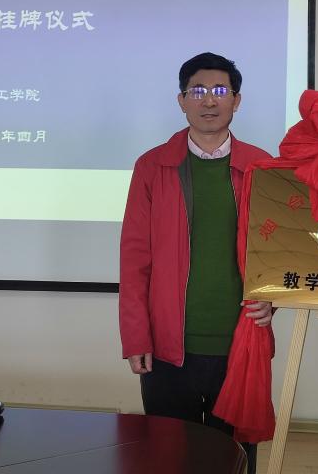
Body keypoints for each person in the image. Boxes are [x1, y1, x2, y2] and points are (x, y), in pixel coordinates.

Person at [119, 52, 273, 474]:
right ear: (181, 100)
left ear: (236, 100)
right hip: (168, 349)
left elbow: (277, 252)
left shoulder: (261, 167)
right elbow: (134, 259)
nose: (209, 100)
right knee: (169, 459)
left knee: (233, 459)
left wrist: (272, 300)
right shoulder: (153, 166)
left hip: (240, 343)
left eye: (220, 90)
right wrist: (135, 336)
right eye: (198, 90)